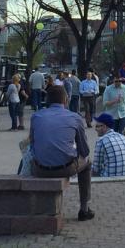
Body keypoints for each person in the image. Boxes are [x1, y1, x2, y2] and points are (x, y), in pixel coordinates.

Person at [29, 85, 94, 221]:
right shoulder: (75, 117)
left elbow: (32, 144)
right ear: (66, 99)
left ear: (47, 100)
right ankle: (84, 208)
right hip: (65, 168)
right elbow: (85, 150)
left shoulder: (36, 116)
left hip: (39, 169)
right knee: (87, 163)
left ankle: (31, 206)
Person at [92, 113, 125, 177]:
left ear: (104, 127)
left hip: (109, 178)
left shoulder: (101, 141)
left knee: (87, 166)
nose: (95, 129)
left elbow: (96, 168)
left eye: (97, 126)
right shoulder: (123, 137)